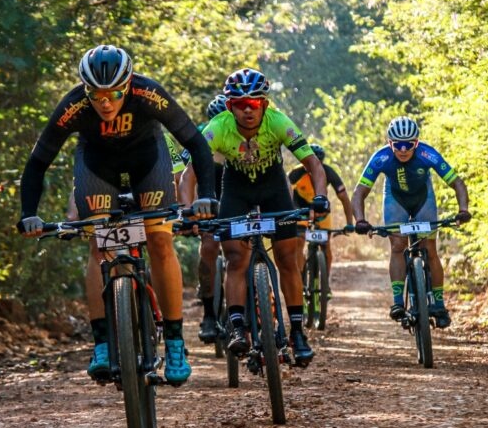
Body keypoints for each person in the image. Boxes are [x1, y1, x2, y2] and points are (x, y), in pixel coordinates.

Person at [18, 45, 218, 385]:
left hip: (147, 161)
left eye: (114, 94)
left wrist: (208, 197)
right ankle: (102, 344)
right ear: (85, 90)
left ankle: (174, 342)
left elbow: (196, 143)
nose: (105, 102)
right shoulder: (73, 105)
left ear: (129, 85)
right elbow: (38, 162)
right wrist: (29, 213)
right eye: (96, 95)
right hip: (98, 166)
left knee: (158, 238)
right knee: (99, 244)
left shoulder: (148, 92)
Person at [201, 68, 329, 365]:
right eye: (240, 104)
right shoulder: (218, 126)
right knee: (235, 258)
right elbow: (190, 173)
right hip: (235, 190)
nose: (248, 109)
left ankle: (297, 332)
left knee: (287, 257)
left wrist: (320, 196)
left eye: (255, 104)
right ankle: (236, 327)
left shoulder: (279, 122)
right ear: (229, 106)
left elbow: (313, 164)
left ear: (265, 105)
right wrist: (190, 205)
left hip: (273, 188)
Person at [350, 116, 471, 328]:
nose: (403, 149)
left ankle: (439, 304)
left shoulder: (427, 154)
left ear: (417, 143)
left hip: (423, 199)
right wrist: (360, 220)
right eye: (398, 145)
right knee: (398, 246)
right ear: (390, 143)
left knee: (430, 248)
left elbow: (457, 183)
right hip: (396, 200)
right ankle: (398, 302)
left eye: (409, 144)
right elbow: (360, 192)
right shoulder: (381, 158)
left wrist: (463, 210)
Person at [178, 95, 228, 344]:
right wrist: (189, 213)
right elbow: (188, 178)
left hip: (237, 193)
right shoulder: (203, 136)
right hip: (209, 194)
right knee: (209, 246)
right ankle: (209, 314)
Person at [287, 144, 356, 276]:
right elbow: (284, 191)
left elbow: (344, 198)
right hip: (301, 212)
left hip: (322, 213)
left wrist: (349, 223)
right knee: (299, 241)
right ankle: (300, 278)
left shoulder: (328, 172)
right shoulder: (296, 173)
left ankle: (326, 282)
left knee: (326, 246)